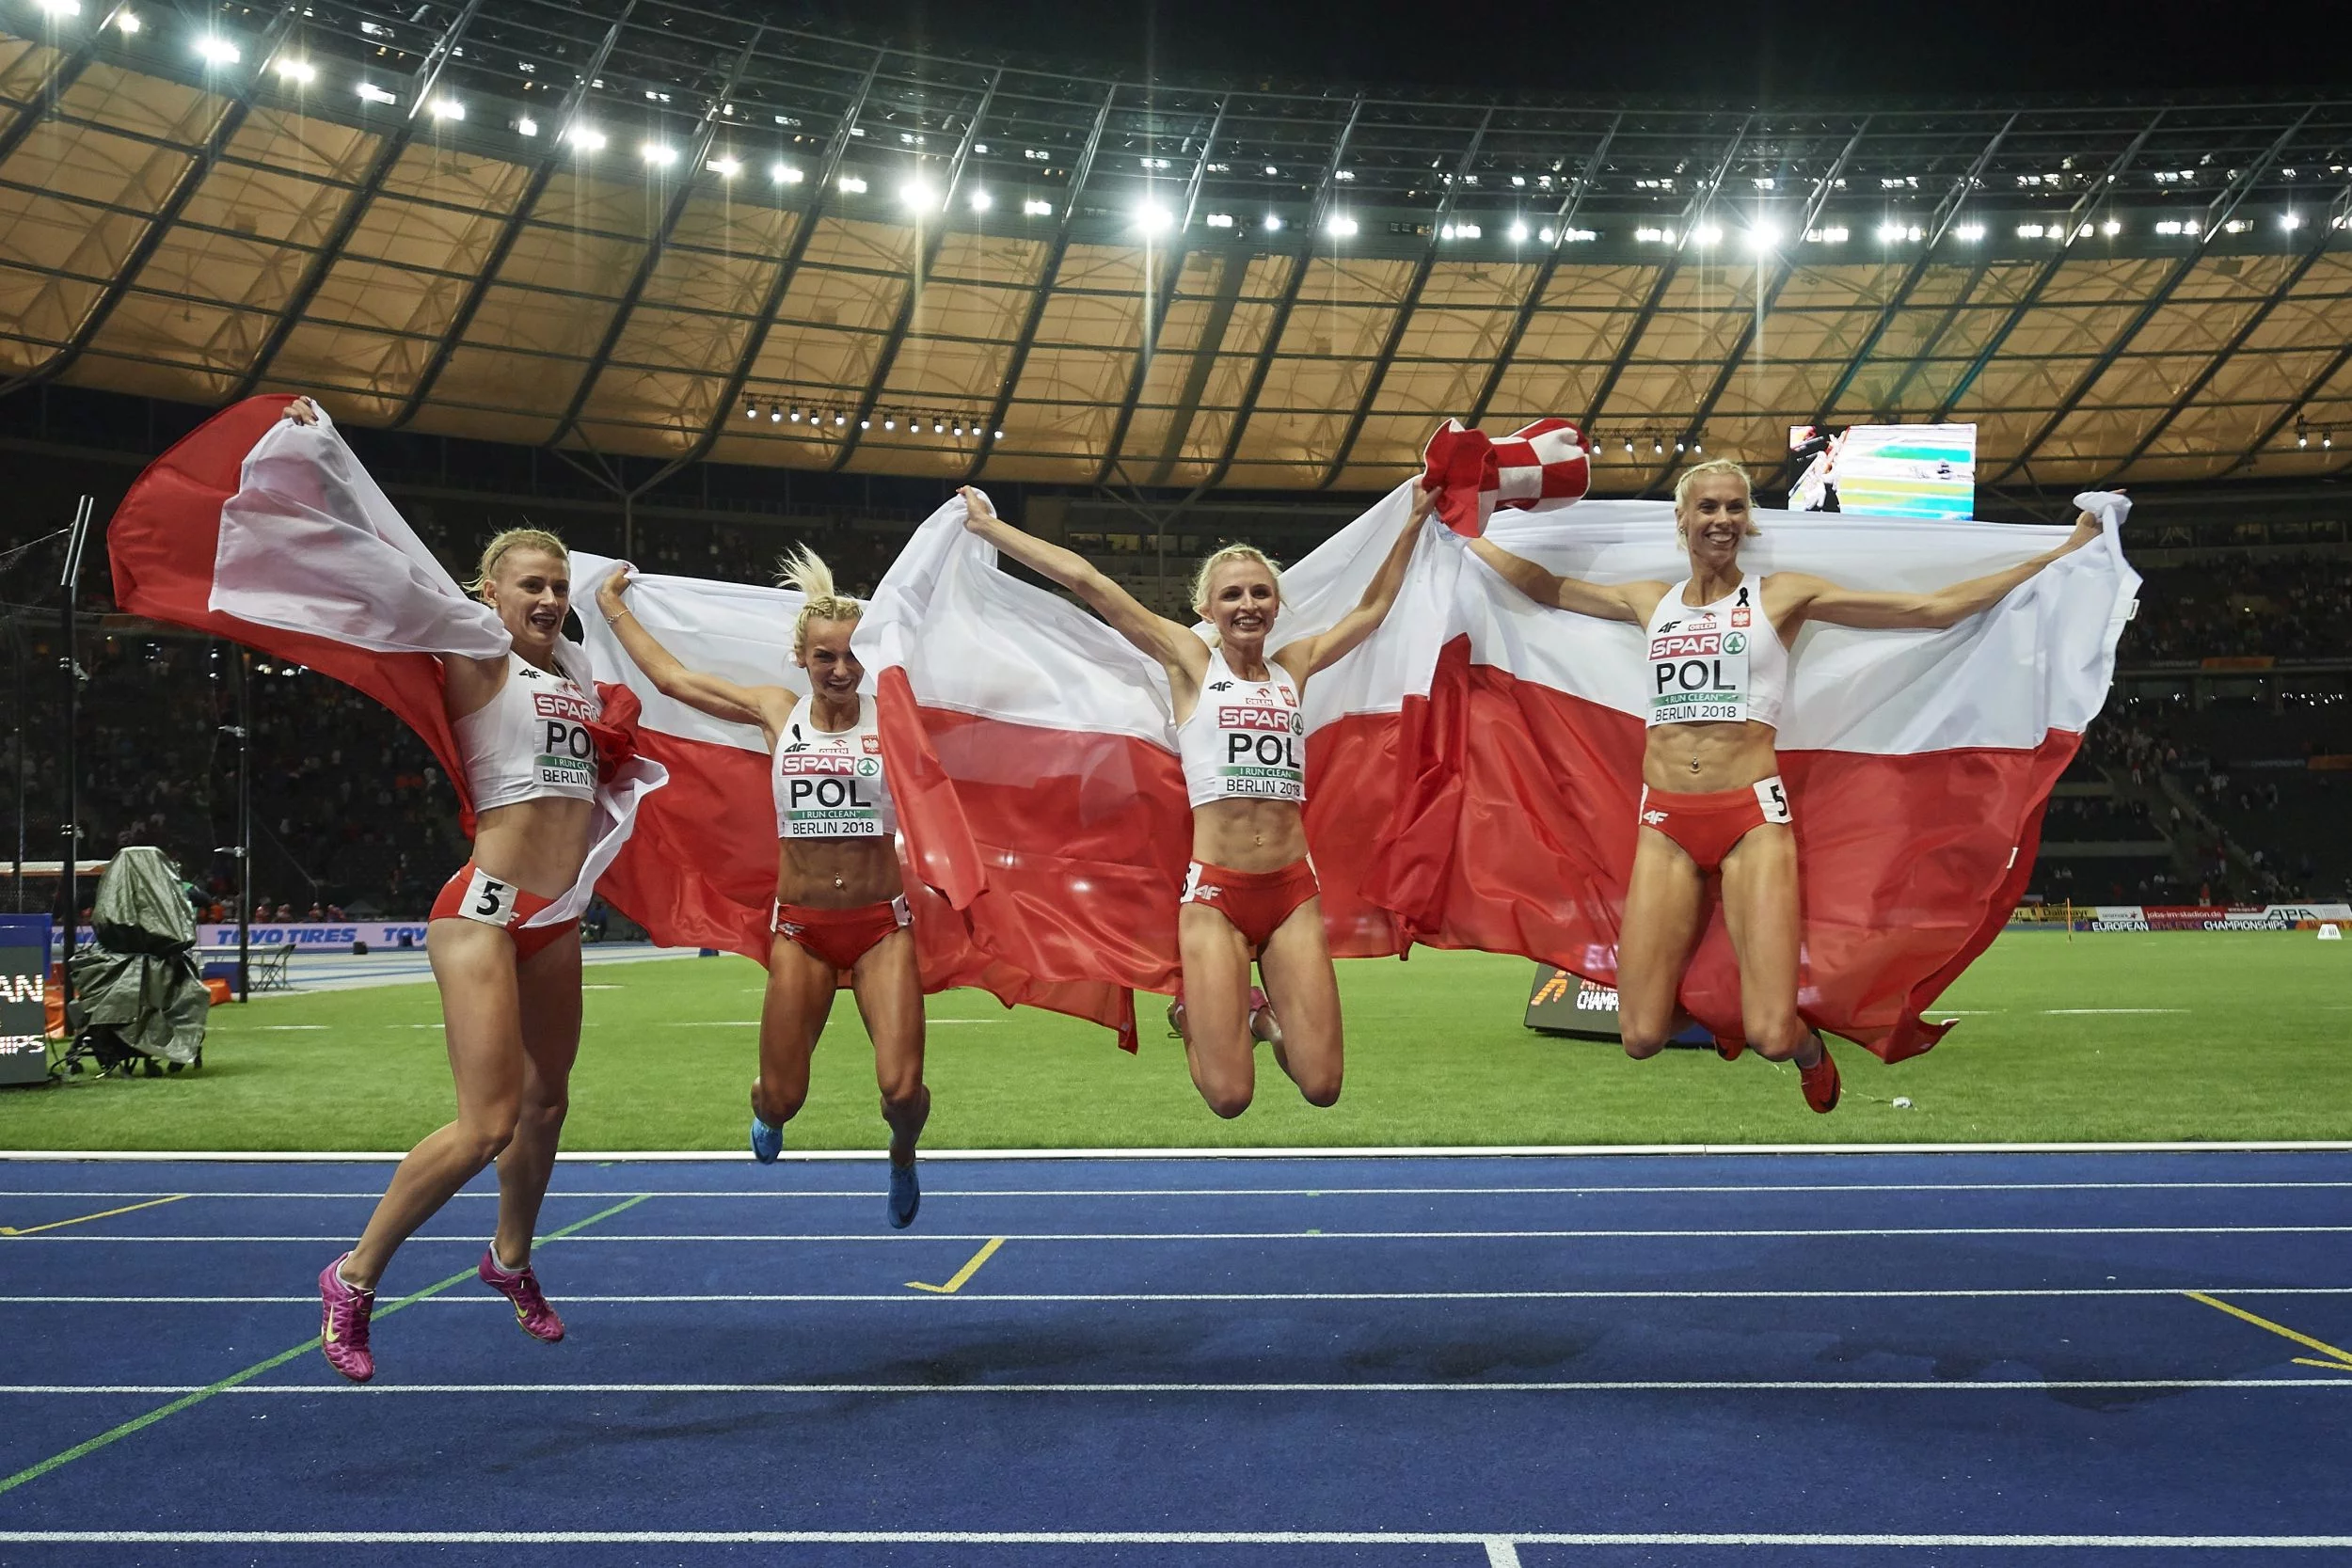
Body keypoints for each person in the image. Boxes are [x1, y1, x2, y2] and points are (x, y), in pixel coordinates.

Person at [1467, 458, 2103, 1110]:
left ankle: (1810, 1052)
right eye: (1709, 507)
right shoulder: (1647, 600)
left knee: (1772, 1033)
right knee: (1640, 1035)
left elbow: (1930, 608)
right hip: (1665, 822)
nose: (1722, 520)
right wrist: (1463, 534)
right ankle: (1718, 1008)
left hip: (1750, 818)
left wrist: (2064, 552)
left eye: (1735, 508)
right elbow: (1543, 586)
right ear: (1682, 519)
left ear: (1750, 521)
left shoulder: (1781, 595)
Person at [958, 483, 1431, 1117]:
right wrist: (991, 530)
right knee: (1229, 1097)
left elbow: (1373, 609)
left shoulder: (1297, 662)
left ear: (1276, 604)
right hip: (1216, 897)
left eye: (1260, 592)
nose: (1248, 604)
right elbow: (1090, 582)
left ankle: (1262, 1022)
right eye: (1232, 594)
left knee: (1323, 1084)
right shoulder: (1190, 663)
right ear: (1206, 608)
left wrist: (1415, 522)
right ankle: (1190, 1016)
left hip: (1291, 891)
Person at [303, 416, 604, 1380]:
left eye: (559, 585)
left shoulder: (578, 668)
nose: (550, 598)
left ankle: (508, 1257)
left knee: (547, 1104)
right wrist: (327, 457)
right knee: (488, 1121)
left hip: (556, 914)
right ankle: (354, 1274)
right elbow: (389, 564)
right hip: (484, 906)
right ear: (489, 594)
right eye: (532, 584)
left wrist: (627, 602)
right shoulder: (476, 651)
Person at [596, 549, 928, 1225]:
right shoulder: (779, 712)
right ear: (800, 658)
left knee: (901, 1089)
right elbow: (673, 678)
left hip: (879, 927)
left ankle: (903, 1153)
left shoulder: (892, 714)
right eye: (824, 657)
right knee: (782, 1098)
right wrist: (612, 609)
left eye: (853, 655)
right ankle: (766, 1104)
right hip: (802, 930)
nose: (840, 670)